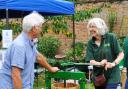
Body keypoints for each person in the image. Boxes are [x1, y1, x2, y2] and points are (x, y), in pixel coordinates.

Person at [0, 11, 59, 89]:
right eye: (40, 26)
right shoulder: (20, 45)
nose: (41, 29)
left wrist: (50, 68)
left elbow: (38, 57)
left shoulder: (29, 41)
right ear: (34, 28)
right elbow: (16, 74)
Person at [85, 18, 124, 89]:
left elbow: (121, 54)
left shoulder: (111, 37)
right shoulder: (90, 43)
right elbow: (90, 60)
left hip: (113, 74)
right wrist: (99, 63)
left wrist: (113, 63)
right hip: (98, 77)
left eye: (93, 26)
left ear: (100, 27)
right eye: (90, 27)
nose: (91, 29)